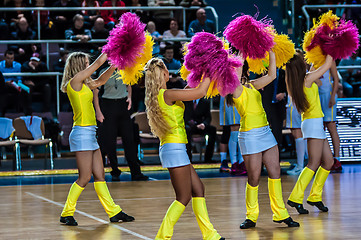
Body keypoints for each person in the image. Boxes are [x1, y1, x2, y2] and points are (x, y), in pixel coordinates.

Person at [144, 58, 224, 240]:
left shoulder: (165, 94)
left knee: (199, 190)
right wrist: (211, 68)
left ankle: (210, 235)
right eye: (166, 67)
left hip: (175, 148)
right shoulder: (167, 94)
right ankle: (162, 237)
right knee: (183, 197)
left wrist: (202, 69)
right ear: (162, 73)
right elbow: (200, 92)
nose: (169, 70)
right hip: (174, 149)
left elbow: (190, 90)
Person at [59, 52, 134, 226]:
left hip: (90, 133)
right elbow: (99, 63)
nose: (88, 65)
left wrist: (114, 65)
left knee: (100, 175)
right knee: (84, 178)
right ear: (78, 66)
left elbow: (100, 80)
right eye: (86, 63)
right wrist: (111, 49)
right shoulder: (75, 82)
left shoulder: (85, 84)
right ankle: (66, 213)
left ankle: (114, 211)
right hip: (82, 133)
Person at [227, 51, 299, 229]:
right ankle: (251, 216)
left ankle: (280, 213)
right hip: (249, 136)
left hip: (266, 132)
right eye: (243, 67)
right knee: (254, 177)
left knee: (276, 173)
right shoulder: (234, 88)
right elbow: (236, 72)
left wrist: (271, 51)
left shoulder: (252, 85)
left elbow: (272, 75)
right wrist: (244, 48)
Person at [285, 52, 334, 215]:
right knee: (313, 163)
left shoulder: (295, 81)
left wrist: (319, 50)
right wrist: (331, 48)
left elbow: (317, 64)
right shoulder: (307, 79)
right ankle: (296, 197)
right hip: (313, 124)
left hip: (313, 123)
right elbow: (326, 65)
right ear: (299, 66)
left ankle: (315, 196)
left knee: (328, 161)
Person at [93, 67, 149, 181]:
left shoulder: (125, 69)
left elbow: (129, 84)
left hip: (122, 104)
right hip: (107, 105)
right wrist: (98, 112)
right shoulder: (102, 72)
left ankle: (136, 172)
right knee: (110, 141)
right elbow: (96, 92)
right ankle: (114, 171)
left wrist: (129, 97)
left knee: (129, 139)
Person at [312, 62, 342, 173]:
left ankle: (337, 160)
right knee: (320, 129)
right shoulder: (312, 60)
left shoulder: (330, 59)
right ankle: (323, 159)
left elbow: (336, 79)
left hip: (328, 95)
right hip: (316, 96)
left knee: (331, 127)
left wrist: (333, 96)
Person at [286, 50, 308, 175]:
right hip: (297, 104)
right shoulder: (303, 74)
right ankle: (302, 162)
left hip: (294, 105)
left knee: (297, 133)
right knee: (299, 134)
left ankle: (300, 165)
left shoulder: (293, 73)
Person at [260, 68, 287, 155]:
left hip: (278, 107)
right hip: (266, 106)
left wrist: (284, 94)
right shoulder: (263, 71)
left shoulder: (283, 72)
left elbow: (288, 87)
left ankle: (277, 161)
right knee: (263, 135)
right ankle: (262, 163)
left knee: (277, 135)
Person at [184, 97, 217, 163]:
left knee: (212, 130)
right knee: (186, 131)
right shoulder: (186, 101)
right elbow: (183, 115)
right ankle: (188, 159)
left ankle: (208, 158)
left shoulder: (205, 102)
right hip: (189, 125)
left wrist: (204, 124)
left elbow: (208, 117)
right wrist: (189, 122)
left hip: (200, 125)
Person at [219, 96, 246, 175]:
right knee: (234, 127)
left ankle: (241, 162)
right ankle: (234, 163)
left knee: (242, 128)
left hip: (242, 92)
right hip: (229, 91)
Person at [0, 49, 31, 115]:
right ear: (5, 58)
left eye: (12, 58)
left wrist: (15, 83)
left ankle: (22, 111)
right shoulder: (0, 65)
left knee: (26, 88)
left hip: (15, 83)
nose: (10, 60)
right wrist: (6, 82)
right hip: (3, 84)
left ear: (14, 58)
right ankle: (2, 112)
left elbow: (19, 78)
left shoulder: (18, 65)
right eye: (8, 58)